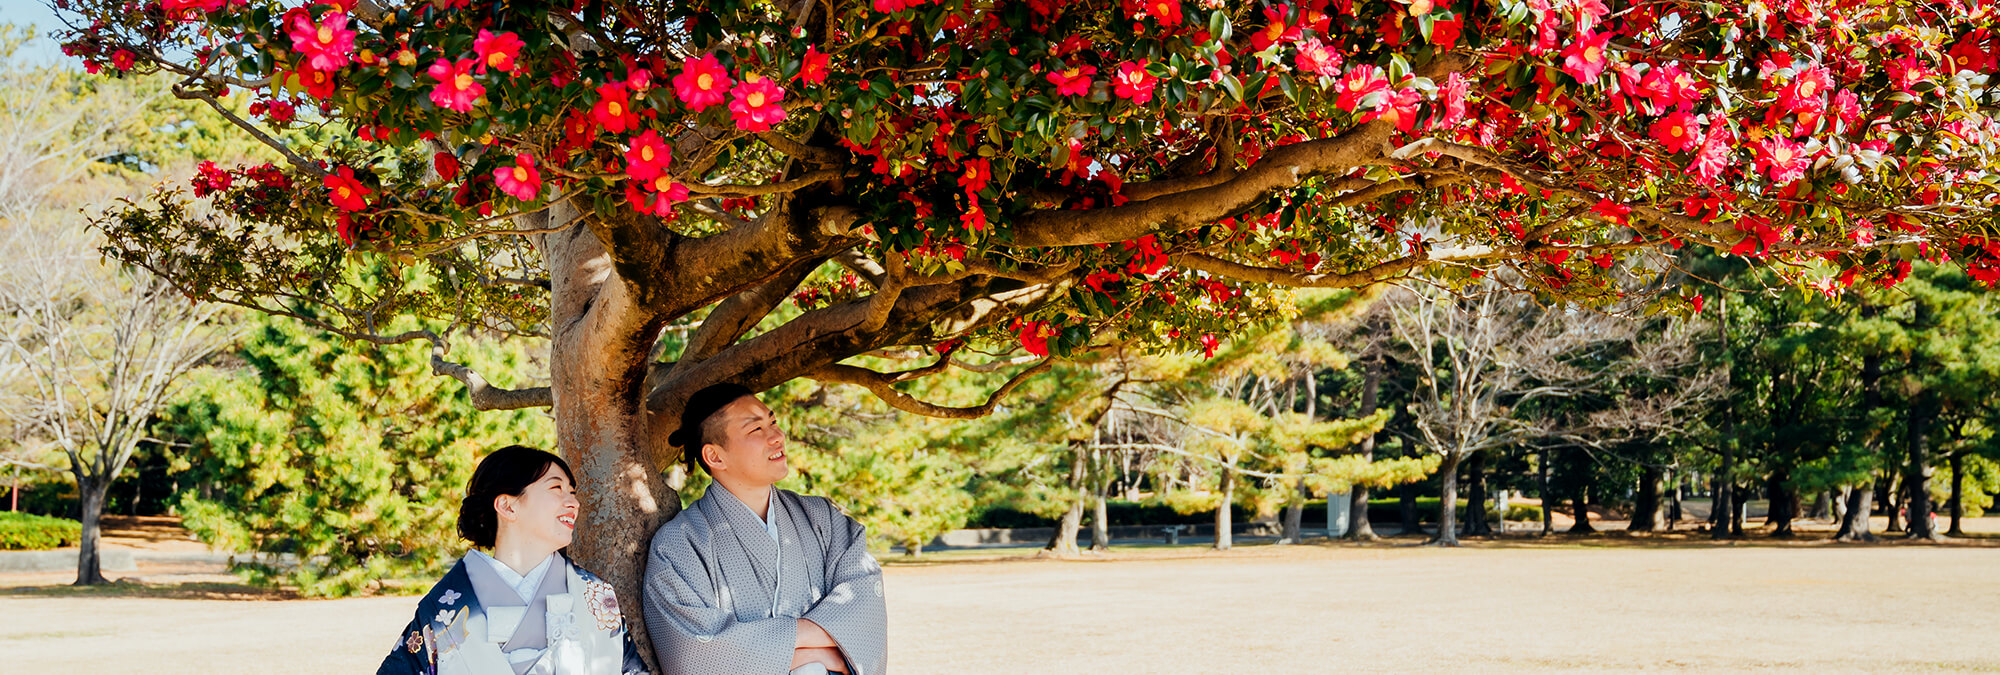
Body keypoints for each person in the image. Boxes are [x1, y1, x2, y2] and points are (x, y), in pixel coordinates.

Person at [644, 383, 887, 675]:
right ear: (715, 457)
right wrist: (824, 652)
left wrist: (769, 648)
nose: (777, 436)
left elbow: (864, 606)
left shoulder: (822, 519)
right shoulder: (679, 545)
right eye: (755, 430)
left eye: (772, 422)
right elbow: (695, 653)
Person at [379, 445, 649, 675]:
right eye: (557, 488)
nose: (574, 503)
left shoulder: (595, 596)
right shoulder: (442, 611)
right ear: (508, 506)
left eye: (573, 492)